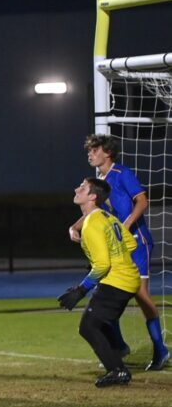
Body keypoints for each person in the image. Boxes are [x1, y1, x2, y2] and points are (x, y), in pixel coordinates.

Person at [69, 134, 168, 371]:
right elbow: (94, 211)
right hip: (118, 246)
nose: (90, 154)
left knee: (141, 296)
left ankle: (161, 349)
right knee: (108, 293)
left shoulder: (122, 174)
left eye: (94, 150)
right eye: (89, 151)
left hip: (136, 241)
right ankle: (120, 346)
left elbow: (142, 201)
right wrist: (75, 226)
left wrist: (124, 227)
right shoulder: (97, 181)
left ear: (107, 152)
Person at [58, 177, 141, 387]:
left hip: (117, 281)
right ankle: (118, 354)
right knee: (99, 323)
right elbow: (130, 243)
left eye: (83, 188)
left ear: (93, 197)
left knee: (88, 326)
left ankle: (118, 370)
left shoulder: (92, 224)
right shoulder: (107, 216)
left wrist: (81, 290)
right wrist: (115, 259)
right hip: (127, 278)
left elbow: (102, 264)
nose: (77, 189)